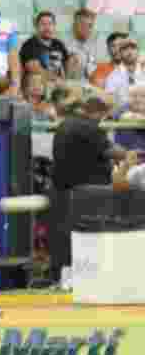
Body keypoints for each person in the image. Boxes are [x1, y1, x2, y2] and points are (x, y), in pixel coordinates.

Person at [50, 94, 127, 287]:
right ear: (98, 112)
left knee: (64, 235)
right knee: (87, 235)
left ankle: (64, 277)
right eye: (103, 115)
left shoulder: (65, 124)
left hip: (62, 190)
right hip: (86, 192)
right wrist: (133, 155)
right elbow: (115, 152)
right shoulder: (89, 127)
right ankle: (82, 278)